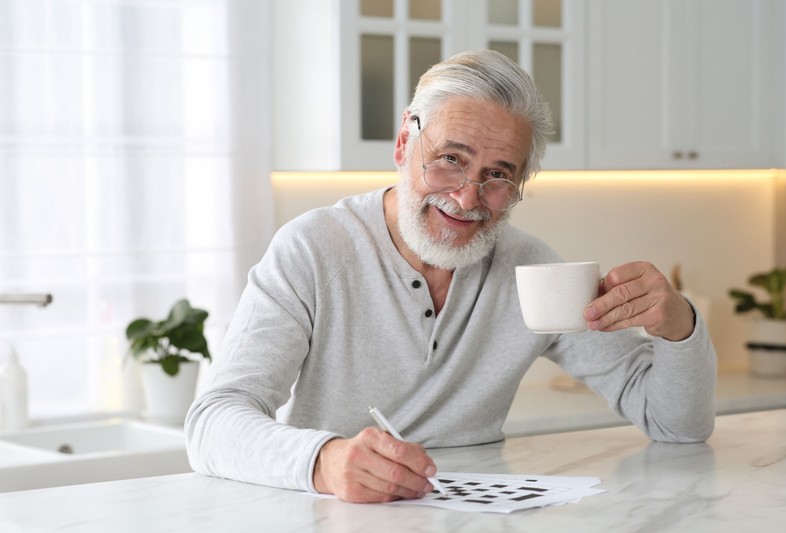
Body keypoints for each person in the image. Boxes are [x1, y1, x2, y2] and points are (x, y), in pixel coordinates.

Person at [185, 49, 716, 503]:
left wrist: (679, 327)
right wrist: (324, 460)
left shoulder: (531, 269)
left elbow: (678, 426)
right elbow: (212, 423)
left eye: (498, 176)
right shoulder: (312, 249)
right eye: (449, 159)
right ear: (403, 144)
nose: (467, 198)